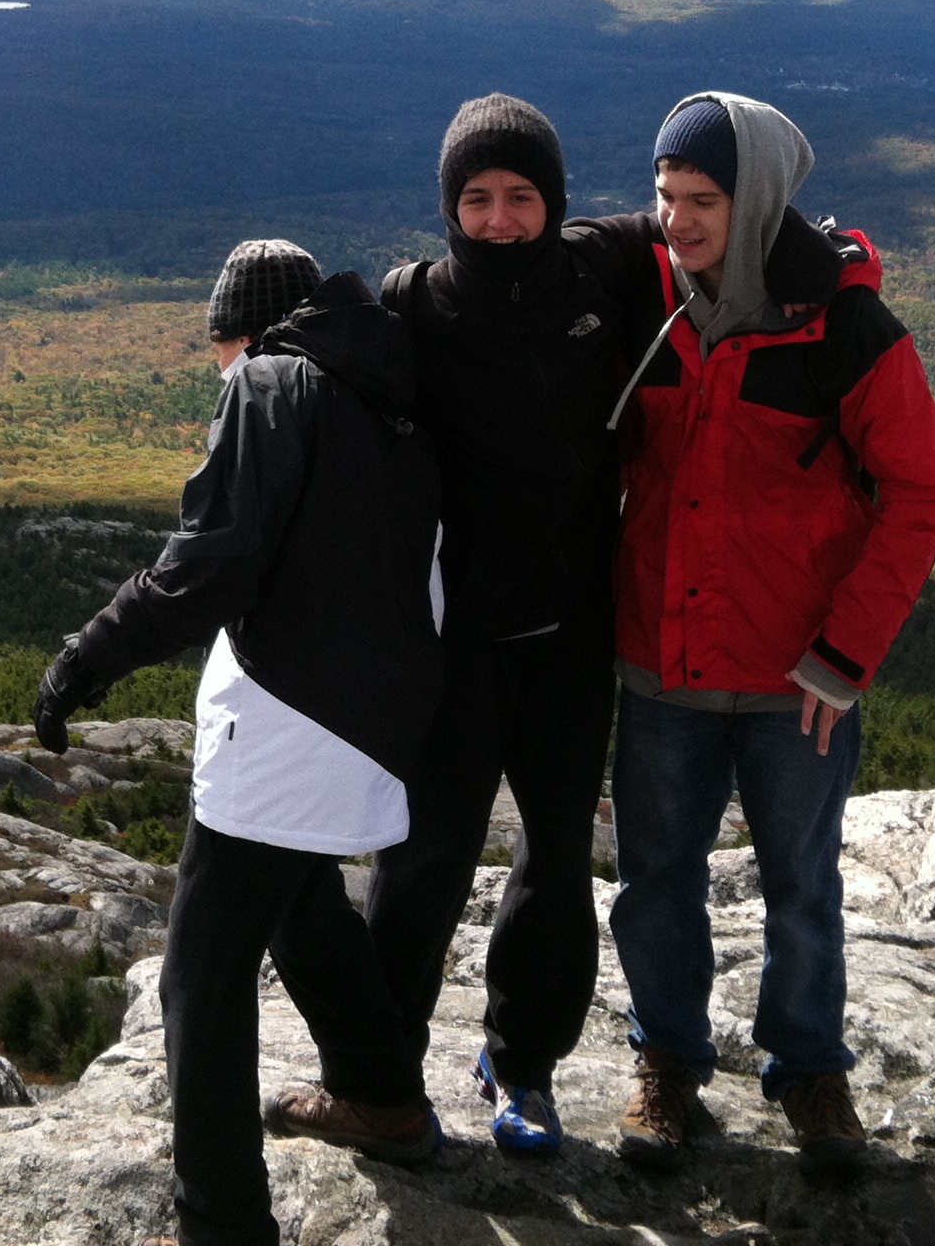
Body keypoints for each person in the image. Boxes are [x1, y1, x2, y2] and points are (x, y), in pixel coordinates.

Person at [366, 94, 843, 1157]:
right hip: (452, 642)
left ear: (555, 200)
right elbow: (325, 379)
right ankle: (381, 1072)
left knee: (554, 861)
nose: (499, 218)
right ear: (448, 206)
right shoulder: (411, 303)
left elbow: (731, 220)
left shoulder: (606, 266)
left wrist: (835, 266)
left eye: (520, 196)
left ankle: (523, 1067)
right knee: (425, 854)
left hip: (571, 635)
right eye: (475, 198)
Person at [34, 238, 444, 1246]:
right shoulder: (387, 389)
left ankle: (221, 1221)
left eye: (220, 346)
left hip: (291, 717)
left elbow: (205, 568)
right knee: (299, 900)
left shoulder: (269, 384)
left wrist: (85, 659)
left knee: (202, 972)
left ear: (244, 332)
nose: (220, 367)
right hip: (380, 709)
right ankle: (382, 1094)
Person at [603, 91, 935, 1182]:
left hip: (794, 676)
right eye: (665, 195)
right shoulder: (647, 300)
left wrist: (844, 657)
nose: (678, 220)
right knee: (656, 880)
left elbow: (925, 489)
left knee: (801, 888)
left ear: (756, 200)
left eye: (703, 200)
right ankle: (668, 1062)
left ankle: (809, 1072)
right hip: (662, 659)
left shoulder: (844, 327)